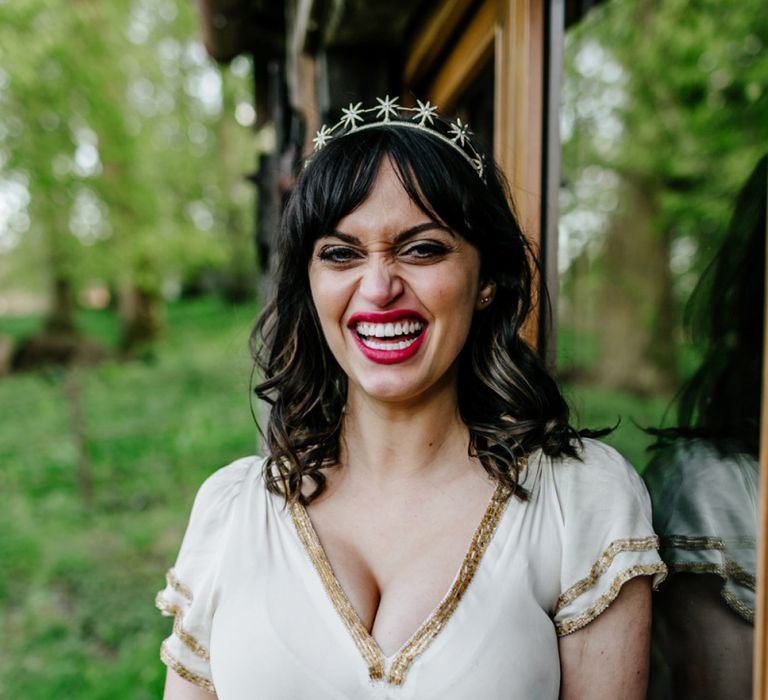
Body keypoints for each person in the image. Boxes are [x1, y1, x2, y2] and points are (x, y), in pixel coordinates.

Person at [156, 99, 666, 699]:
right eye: (341, 254)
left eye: (422, 249)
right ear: (310, 284)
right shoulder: (231, 513)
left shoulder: (578, 503)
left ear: (487, 282)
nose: (378, 289)